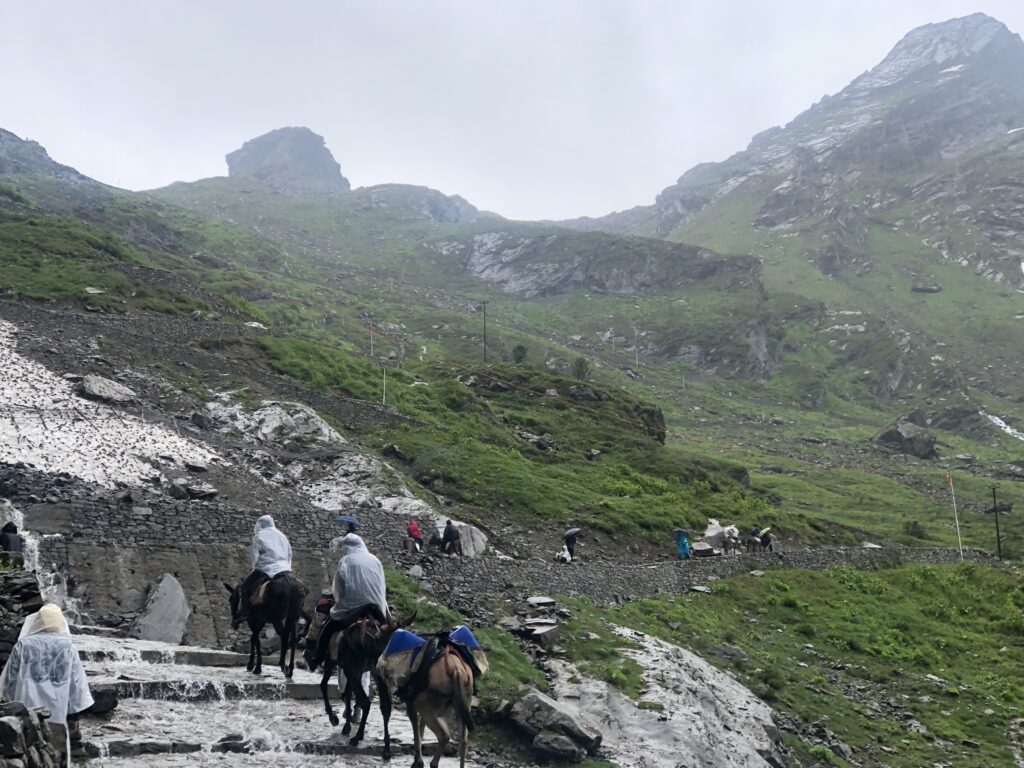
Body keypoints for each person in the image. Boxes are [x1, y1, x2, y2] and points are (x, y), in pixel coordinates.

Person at [0, 604, 93, 767]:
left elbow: (9, 681)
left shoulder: (23, 645)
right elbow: (75, 684)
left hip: (26, 712)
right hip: (57, 713)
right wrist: (73, 717)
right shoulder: (67, 647)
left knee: (30, 756)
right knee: (58, 757)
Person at [310, 533, 390, 671]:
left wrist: (339, 603)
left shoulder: (346, 561)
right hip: (377, 608)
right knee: (390, 631)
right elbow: (382, 585)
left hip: (352, 608)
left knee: (326, 629)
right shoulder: (375, 560)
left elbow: (339, 588)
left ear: (346, 547)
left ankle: (317, 659)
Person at [237, 515, 292, 626]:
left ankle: (245, 613)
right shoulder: (282, 535)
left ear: (260, 524)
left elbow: (254, 555)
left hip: (266, 569)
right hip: (284, 568)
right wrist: (287, 566)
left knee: (244, 588)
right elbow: (289, 552)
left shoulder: (259, 536)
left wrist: (254, 568)